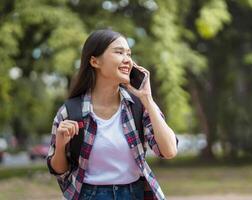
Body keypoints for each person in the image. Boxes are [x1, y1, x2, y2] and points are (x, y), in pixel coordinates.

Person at [46, 29, 178, 200]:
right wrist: (61, 143)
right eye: (119, 52)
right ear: (94, 61)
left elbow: (169, 151)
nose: (127, 60)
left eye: (129, 54)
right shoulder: (71, 111)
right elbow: (59, 169)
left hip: (134, 194)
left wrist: (147, 98)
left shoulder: (139, 105)